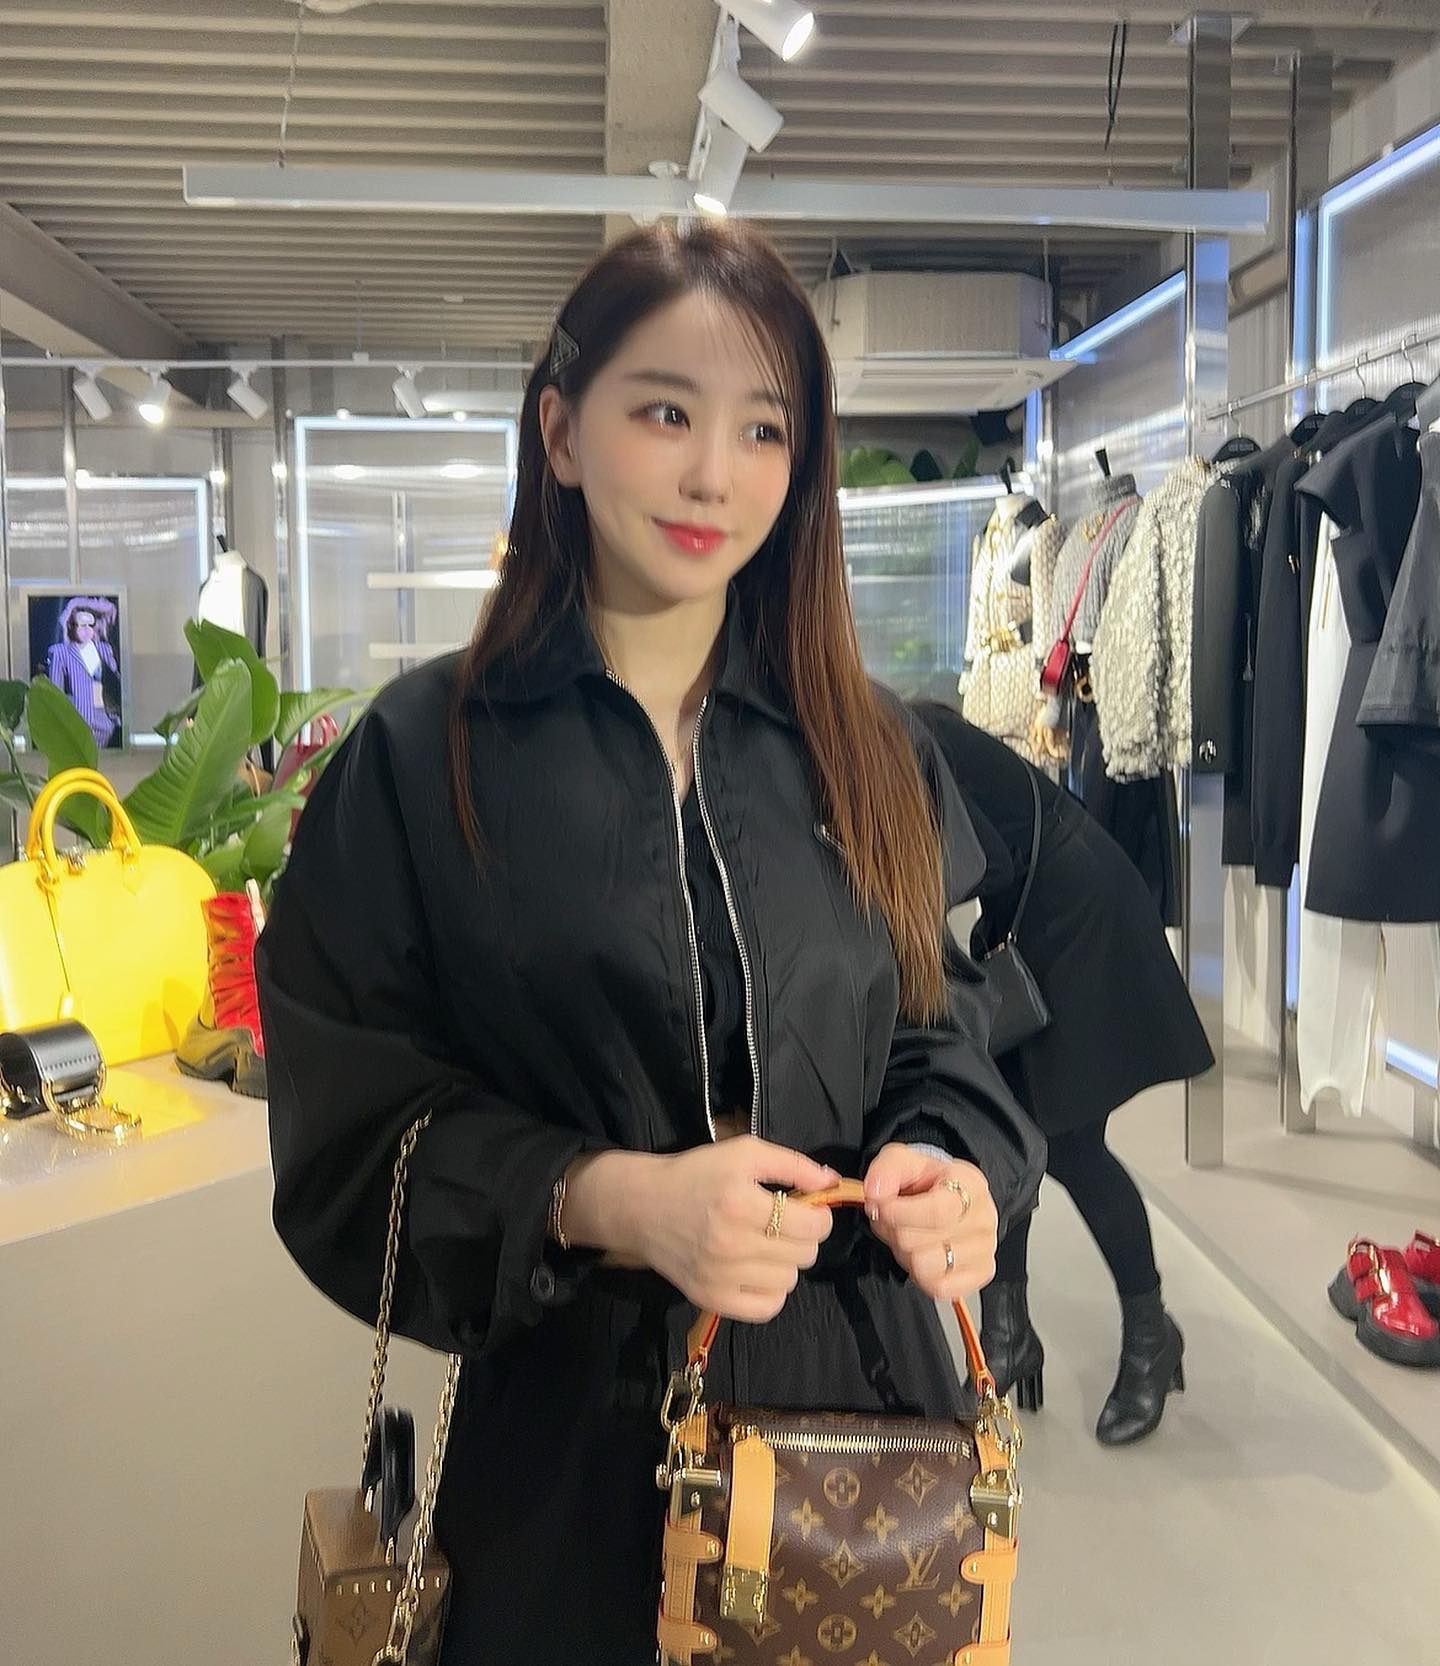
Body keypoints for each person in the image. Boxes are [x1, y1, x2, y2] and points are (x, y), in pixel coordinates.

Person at [258, 223, 1044, 1666]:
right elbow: (347, 1137)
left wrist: (954, 1167)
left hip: (859, 1438)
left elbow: (946, 1030)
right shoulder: (427, 758)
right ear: (561, 432)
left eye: (764, 429)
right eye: (666, 412)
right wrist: (608, 1197)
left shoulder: (871, 746)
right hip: (569, 1454)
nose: (713, 476)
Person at [912, 700, 1213, 1445]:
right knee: (1004, 1138)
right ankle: (1008, 1333)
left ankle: (1151, 1333)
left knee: (1072, 1144)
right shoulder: (885, 731)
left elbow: (983, 857)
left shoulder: (894, 736)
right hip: (1029, 922)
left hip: (1080, 920)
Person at [43, 595, 120, 748]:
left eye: (90, 625)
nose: (87, 630)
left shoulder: (104, 649)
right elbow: (55, 692)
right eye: (82, 625)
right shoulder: (60, 652)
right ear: (72, 626)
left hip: (106, 722)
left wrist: (113, 717)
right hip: (77, 723)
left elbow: (115, 683)